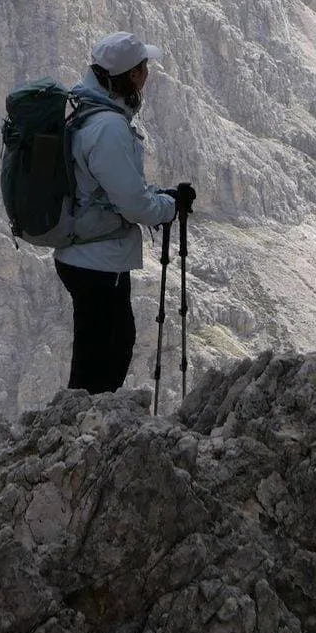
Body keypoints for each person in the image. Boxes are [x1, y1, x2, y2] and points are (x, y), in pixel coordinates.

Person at [54, 31, 196, 395]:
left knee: (96, 349)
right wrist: (169, 207)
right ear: (132, 75)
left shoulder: (88, 111)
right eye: (144, 68)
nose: (147, 74)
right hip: (99, 260)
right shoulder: (109, 128)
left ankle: (78, 419)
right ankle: (82, 422)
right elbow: (133, 205)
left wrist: (160, 197)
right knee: (108, 353)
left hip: (81, 253)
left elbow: (109, 188)